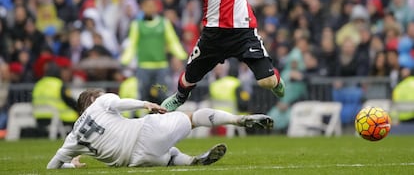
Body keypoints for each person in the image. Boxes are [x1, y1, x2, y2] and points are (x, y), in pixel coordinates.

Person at [47, 89, 273, 169]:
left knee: (171, 156)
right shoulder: (100, 101)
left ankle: (192, 161)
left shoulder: (73, 137)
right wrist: (144, 104)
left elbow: (52, 166)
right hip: (144, 132)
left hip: (136, 161)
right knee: (192, 118)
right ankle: (239, 120)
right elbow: (118, 104)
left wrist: (71, 165)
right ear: (93, 99)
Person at [120, 0, 187, 104]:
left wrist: (182, 56)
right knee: (142, 97)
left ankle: (165, 119)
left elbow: (173, 41)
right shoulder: (137, 25)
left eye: (152, 6)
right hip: (143, 67)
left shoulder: (164, 23)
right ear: (142, 8)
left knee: (163, 95)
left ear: (156, 7)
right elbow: (131, 44)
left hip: (161, 67)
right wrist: (125, 60)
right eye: (147, 6)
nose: (150, 8)